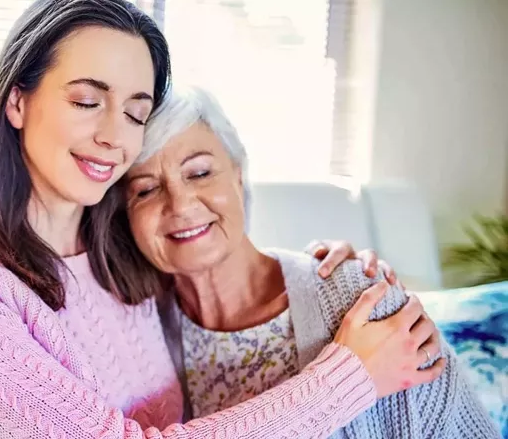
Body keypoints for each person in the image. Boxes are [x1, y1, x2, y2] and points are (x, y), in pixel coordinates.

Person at [0, 0, 445, 438]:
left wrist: (328, 273)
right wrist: (350, 376)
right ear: (17, 101)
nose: (113, 135)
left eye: (134, 112)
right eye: (86, 100)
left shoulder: (127, 254)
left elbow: (226, 272)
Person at [112, 85, 497, 436]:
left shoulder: (358, 297)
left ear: (239, 176)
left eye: (199, 172)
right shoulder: (140, 333)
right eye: (146, 190)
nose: (180, 204)